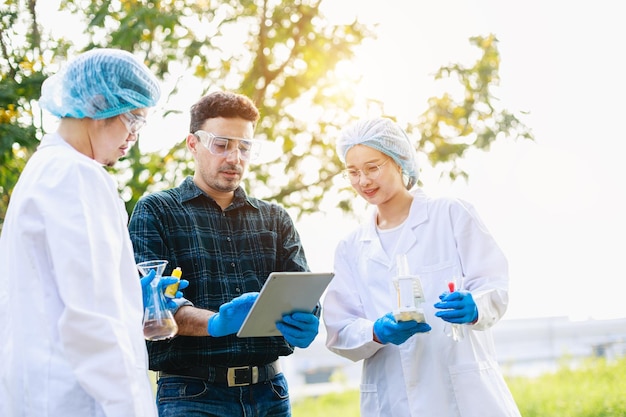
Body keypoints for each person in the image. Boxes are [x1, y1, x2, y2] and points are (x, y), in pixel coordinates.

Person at [0, 48, 172, 417]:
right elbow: (92, 320)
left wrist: (127, 298)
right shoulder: (77, 175)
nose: (134, 137)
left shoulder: (42, 171)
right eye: (134, 119)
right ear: (98, 104)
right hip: (79, 400)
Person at [128, 90, 320, 417]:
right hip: (192, 395)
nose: (235, 158)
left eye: (245, 147)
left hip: (271, 393)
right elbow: (151, 308)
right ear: (193, 144)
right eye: (222, 144)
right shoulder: (156, 211)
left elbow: (304, 295)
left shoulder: (275, 219)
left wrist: (309, 317)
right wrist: (215, 323)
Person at [322, 117, 521, 417]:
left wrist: (476, 306)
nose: (363, 181)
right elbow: (339, 330)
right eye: (353, 172)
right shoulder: (351, 247)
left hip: (464, 395)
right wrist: (375, 331)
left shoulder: (451, 214)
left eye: (373, 167)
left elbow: (495, 286)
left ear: (401, 162)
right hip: (391, 400)